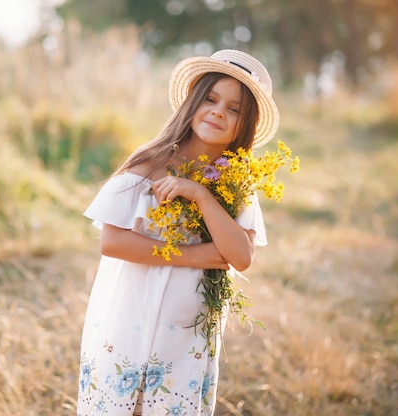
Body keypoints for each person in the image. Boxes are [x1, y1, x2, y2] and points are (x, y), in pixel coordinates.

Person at [76, 49, 279, 416]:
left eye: (234, 109)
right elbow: (112, 241)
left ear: (245, 125)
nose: (219, 111)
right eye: (212, 99)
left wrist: (201, 194)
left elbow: (242, 257)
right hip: (131, 315)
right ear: (193, 102)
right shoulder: (151, 161)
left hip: (187, 330)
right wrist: (194, 256)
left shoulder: (237, 183)